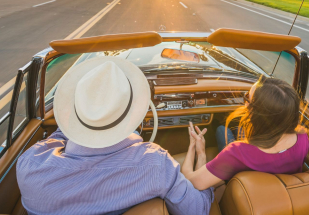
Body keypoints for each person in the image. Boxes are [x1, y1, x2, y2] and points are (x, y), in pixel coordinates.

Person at [17, 57, 213, 215]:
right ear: (137, 113)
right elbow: (198, 210)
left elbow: (62, 134)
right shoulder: (156, 165)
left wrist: (87, 115)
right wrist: (202, 160)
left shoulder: (29, 166)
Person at [181, 76, 309, 190]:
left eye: (247, 97)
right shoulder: (303, 138)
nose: (245, 102)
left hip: (237, 191)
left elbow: (192, 182)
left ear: (256, 113)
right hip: (273, 195)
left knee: (221, 130)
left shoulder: (236, 153)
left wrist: (197, 150)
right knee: (229, 130)